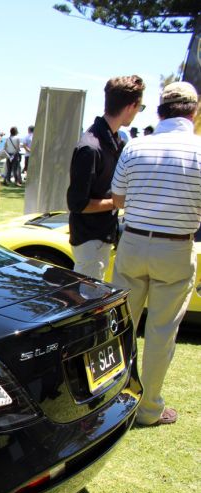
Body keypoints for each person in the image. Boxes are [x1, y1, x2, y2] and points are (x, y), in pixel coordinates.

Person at [109, 81, 201, 427]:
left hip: (133, 240)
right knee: (162, 331)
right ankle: (148, 408)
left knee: (122, 328)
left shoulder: (135, 147)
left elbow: (118, 199)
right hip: (175, 245)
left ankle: (114, 399)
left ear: (160, 110)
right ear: (192, 112)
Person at [66, 75, 145, 280]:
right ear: (132, 105)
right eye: (140, 108)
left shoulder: (113, 141)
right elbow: (77, 203)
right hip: (90, 239)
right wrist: (118, 202)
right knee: (87, 299)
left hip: (102, 234)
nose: (138, 113)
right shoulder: (91, 147)